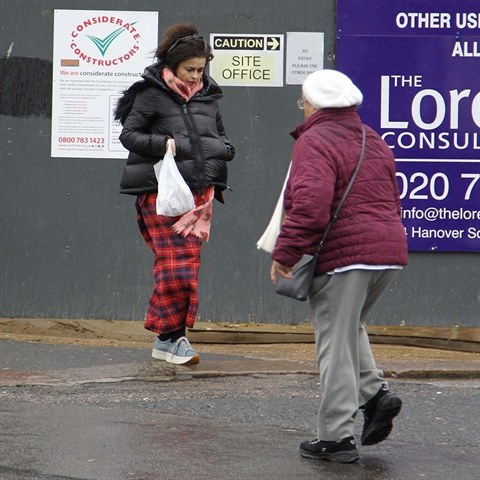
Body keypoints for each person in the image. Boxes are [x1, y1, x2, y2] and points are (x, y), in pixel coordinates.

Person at [270, 69, 408, 463]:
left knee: (333, 342)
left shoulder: (314, 140)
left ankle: (336, 437)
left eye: (304, 102)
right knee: (349, 329)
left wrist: (286, 254)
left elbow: (311, 208)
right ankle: (375, 394)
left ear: (313, 104)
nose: (304, 108)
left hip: (345, 257)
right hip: (388, 251)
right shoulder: (374, 140)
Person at [115, 23, 235, 366]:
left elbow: (224, 140)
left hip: (200, 195)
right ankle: (172, 338)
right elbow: (128, 135)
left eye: (201, 69)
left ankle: (167, 338)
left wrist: (222, 150)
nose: (196, 76)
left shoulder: (209, 97)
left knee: (186, 267)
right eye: (190, 69)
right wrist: (165, 144)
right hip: (160, 192)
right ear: (172, 64)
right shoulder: (150, 94)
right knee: (176, 267)